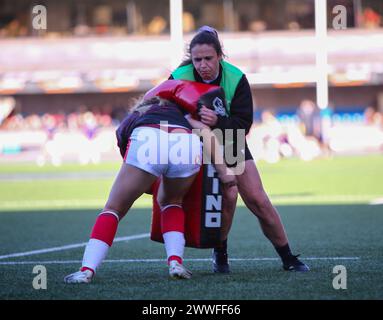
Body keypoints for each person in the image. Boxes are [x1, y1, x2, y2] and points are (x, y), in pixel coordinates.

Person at [169, 26, 309, 273]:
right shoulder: (179, 76)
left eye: (208, 59)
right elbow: (163, 111)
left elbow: (244, 124)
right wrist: (194, 125)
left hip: (229, 140)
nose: (202, 65)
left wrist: (217, 121)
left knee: (256, 199)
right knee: (173, 199)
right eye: (197, 59)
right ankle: (216, 253)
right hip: (191, 143)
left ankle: (288, 257)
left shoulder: (236, 77)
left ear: (220, 56)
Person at [64, 86, 235, 283]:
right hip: (186, 141)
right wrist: (224, 171)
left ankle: (87, 270)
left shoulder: (142, 111)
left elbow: (122, 137)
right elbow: (206, 133)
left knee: (113, 208)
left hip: (149, 136)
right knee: (172, 202)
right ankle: (175, 262)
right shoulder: (184, 113)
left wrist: (140, 178)